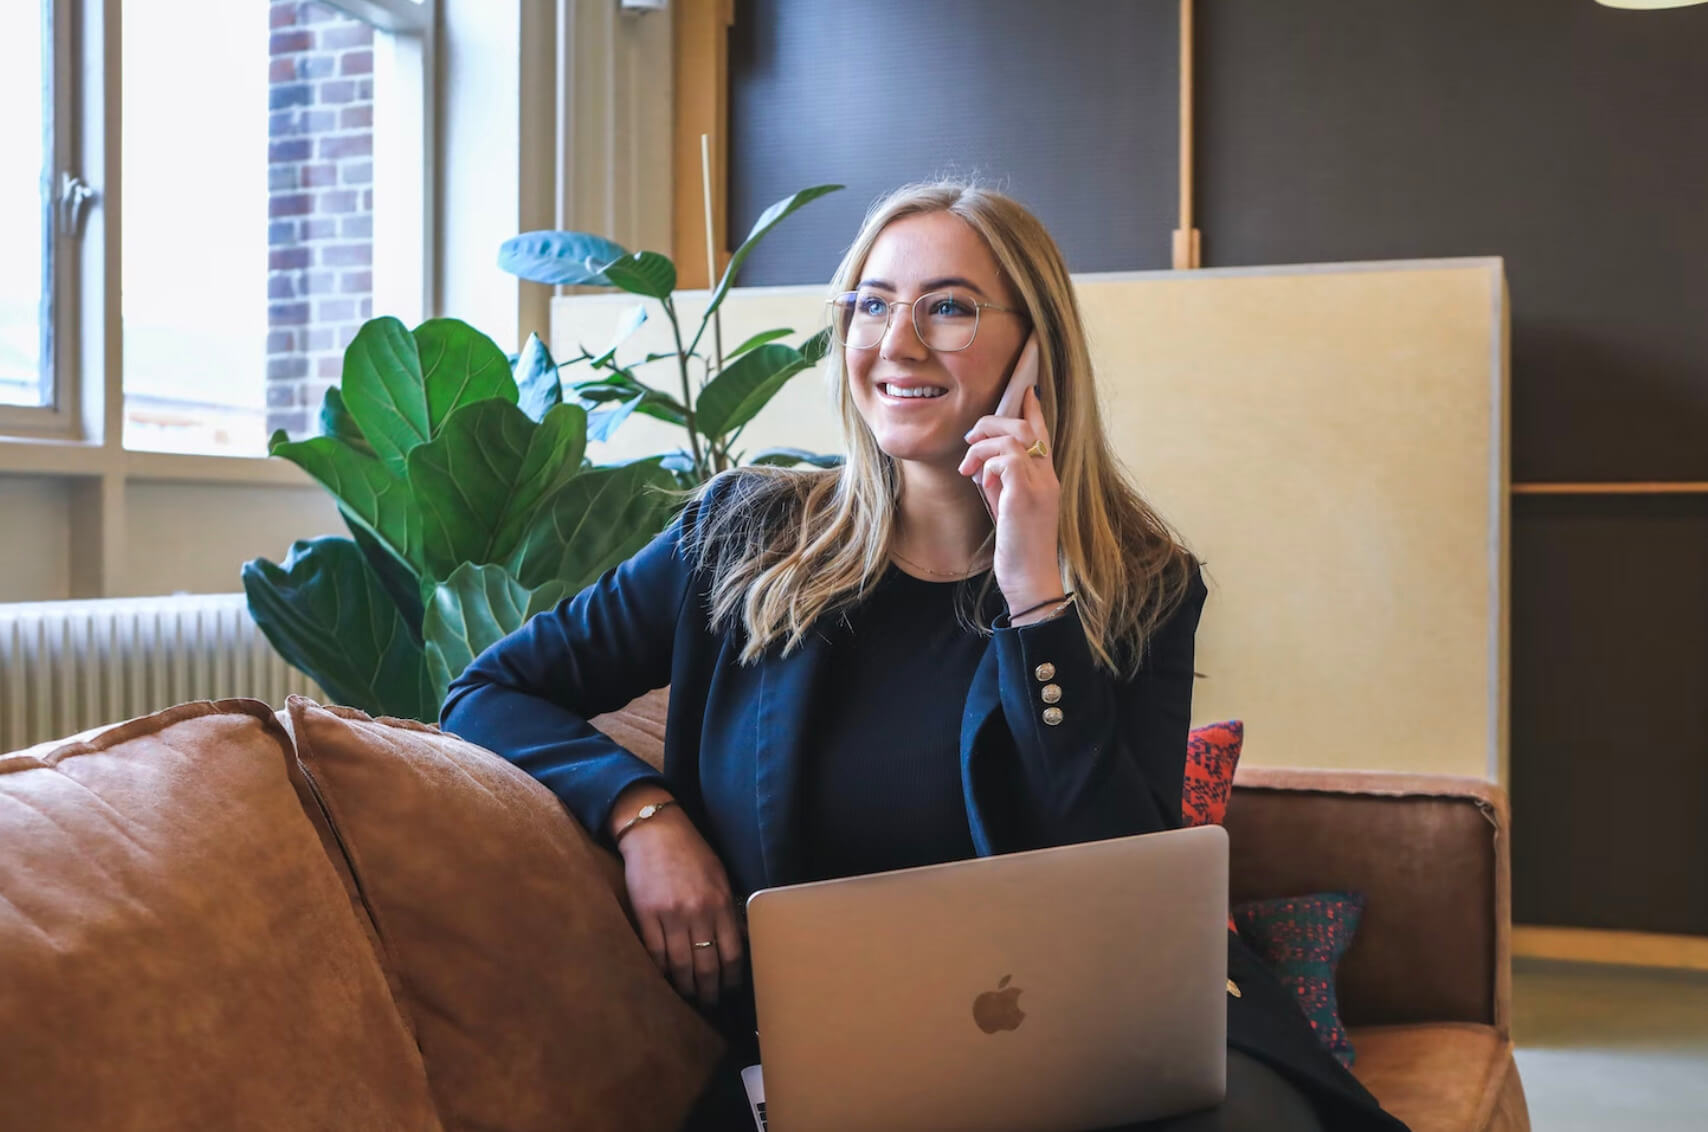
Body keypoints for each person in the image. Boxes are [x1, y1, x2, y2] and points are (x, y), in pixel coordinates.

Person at [441, 182, 1406, 1131]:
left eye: (945, 308)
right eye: (870, 304)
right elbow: (489, 690)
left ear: (1036, 347)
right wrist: (641, 814)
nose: (896, 342)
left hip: (1102, 1038)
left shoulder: (1140, 582)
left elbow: (1127, 886)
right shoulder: (740, 537)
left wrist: (1038, 598)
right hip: (843, 1059)